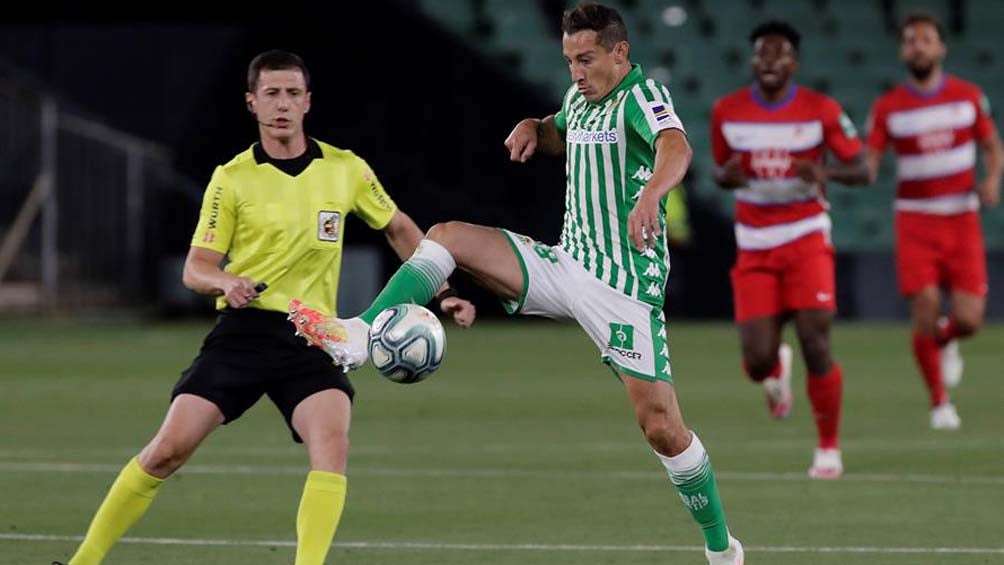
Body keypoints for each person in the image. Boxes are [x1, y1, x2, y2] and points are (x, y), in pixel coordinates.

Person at [288, 4, 743, 563]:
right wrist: (534, 127)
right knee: (447, 235)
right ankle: (358, 335)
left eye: (587, 59)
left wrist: (652, 194)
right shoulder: (581, 98)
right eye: (569, 60)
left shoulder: (642, 98)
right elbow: (562, 129)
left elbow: (677, 147)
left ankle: (722, 548)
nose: (576, 71)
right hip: (566, 263)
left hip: (622, 289)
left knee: (662, 428)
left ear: (620, 53)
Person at [53, 50, 475, 565]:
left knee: (332, 447)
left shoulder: (345, 169)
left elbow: (399, 227)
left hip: (313, 338)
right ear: (252, 103)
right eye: (272, 94)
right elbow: (195, 268)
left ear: (308, 102)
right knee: (166, 452)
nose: (283, 105)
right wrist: (225, 281)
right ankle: (80, 562)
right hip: (244, 334)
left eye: (293, 93)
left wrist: (443, 288)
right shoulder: (232, 178)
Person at [710, 21, 870, 479]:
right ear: (753, 60)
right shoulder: (728, 111)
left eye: (780, 55)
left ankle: (828, 448)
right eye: (762, 54)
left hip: (806, 236)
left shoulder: (820, 110)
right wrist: (730, 178)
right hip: (755, 244)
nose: (770, 62)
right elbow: (722, 170)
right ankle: (775, 369)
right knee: (756, 361)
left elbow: (861, 168)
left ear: (794, 63)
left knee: (817, 342)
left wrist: (826, 175)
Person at [865, 12, 1002, 430]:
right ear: (903, 51)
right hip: (916, 220)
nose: (918, 46)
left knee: (970, 320)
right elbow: (870, 160)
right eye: (910, 40)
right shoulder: (888, 106)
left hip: (961, 218)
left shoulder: (967, 96)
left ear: (941, 47)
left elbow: (992, 146)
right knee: (923, 306)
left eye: (926, 39)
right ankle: (940, 403)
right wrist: (856, 170)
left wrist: (992, 180)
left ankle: (947, 340)